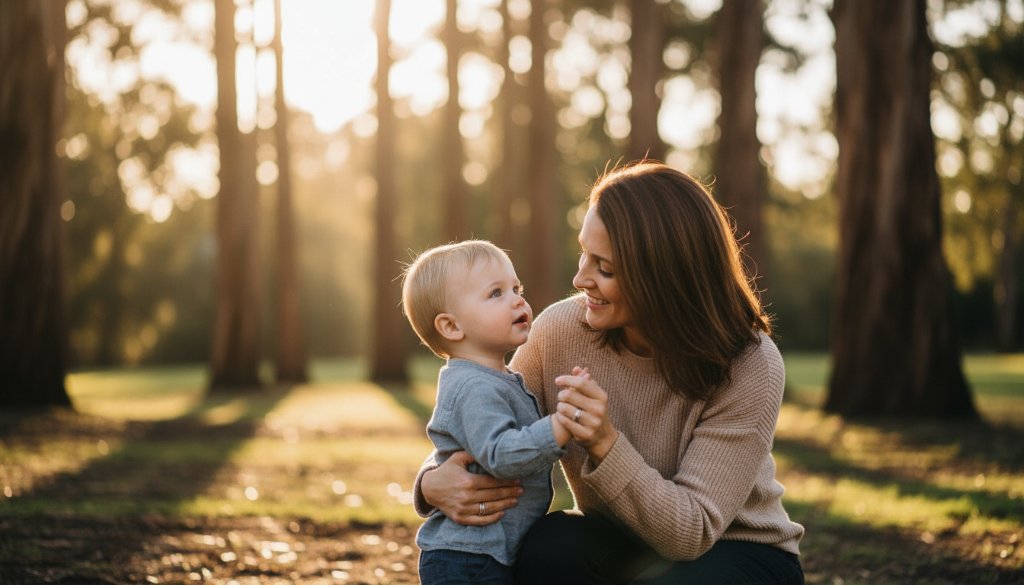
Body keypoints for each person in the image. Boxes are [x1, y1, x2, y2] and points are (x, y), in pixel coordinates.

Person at [414, 162, 806, 585]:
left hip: (736, 551)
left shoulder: (749, 362)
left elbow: (691, 534)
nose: (580, 278)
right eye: (583, 252)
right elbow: (488, 422)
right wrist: (431, 483)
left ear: (662, 277)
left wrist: (604, 442)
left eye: (604, 267)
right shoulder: (559, 331)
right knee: (549, 545)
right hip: (621, 542)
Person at [401, 240, 573, 585]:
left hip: (487, 554)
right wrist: (559, 427)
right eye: (496, 293)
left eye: (516, 289)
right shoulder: (472, 387)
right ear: (452, 327)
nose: (517, 300)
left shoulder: (498, 379)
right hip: (466, 560)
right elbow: (501, 454)